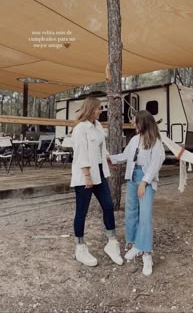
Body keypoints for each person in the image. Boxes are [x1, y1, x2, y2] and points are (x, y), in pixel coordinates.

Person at [109, 110, 165, 276]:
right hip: (132, 177)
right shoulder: (134, 139)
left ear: (144, 123)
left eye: (136, 122)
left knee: (145, 215)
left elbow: (156, 163)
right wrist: (110, 158)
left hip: (145, 178)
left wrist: (144, 182)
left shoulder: (156, 142)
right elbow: (125, 156)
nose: (134, 125)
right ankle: (134, 244)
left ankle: (147, 253)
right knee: (131, 212)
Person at [71, 96, 123, 267]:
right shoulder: (80, 129)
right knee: (82, 211)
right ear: (91, 109)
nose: (101, 111)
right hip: (85, 175)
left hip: (99, 172)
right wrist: (87, 175)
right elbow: (81, 154)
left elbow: (101, 147)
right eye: (99, 108)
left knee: (108, 205)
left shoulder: (98, 125)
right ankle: (80, 247)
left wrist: (106, 158)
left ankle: (111, 242)